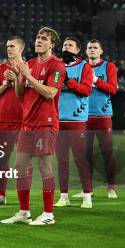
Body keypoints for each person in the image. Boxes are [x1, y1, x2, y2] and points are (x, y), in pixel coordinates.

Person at [1, 27, 66, 226]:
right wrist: (16, 80)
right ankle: (24, 211)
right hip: (28, 124)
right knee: (20, 166)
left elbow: (50, 94)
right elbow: (21, 95)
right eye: (38, 37)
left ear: (52, 44)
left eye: (44, 38)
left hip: (45, 123)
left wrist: (27, 76)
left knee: (44, 168)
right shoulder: (29, 64)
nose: (39, 40)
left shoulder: (57, 66)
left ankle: (48, 214)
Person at [54, 37, 93, 208]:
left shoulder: (85, 66)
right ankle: (64, 196)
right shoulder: (57, 65)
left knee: (80, 159)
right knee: (61, 160)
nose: (66, 47)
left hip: (77, 120)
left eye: (70, 45)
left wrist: (68, 82)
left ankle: (87, 197)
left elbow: (86, 90)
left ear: (78, 50)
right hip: (58, 119)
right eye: (64, 45)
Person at [0, 36, 25, 205]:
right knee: (2, 160)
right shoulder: (1, 68)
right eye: (8, 46)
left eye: (12, 46)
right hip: (3, 121)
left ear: (21, 49)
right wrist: (6, 83)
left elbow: (28, 92)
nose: (9, 48)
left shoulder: (29, 67)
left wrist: (17, 77)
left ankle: (23, 197)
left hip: (23, 121)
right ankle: (1, 195)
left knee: (23, 161)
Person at [85, 39, 118, 199]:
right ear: (86, 51)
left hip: (103, 116)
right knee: (85, 154)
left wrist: (96, 80)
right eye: (89, 48)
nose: (92, 50)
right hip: (83, 117)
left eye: (95, 48)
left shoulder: (109, 66)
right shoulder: (82, 67)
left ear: (101, 51)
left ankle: (111, 187)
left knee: (107, 152)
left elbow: (113, 89)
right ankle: (88, 189)